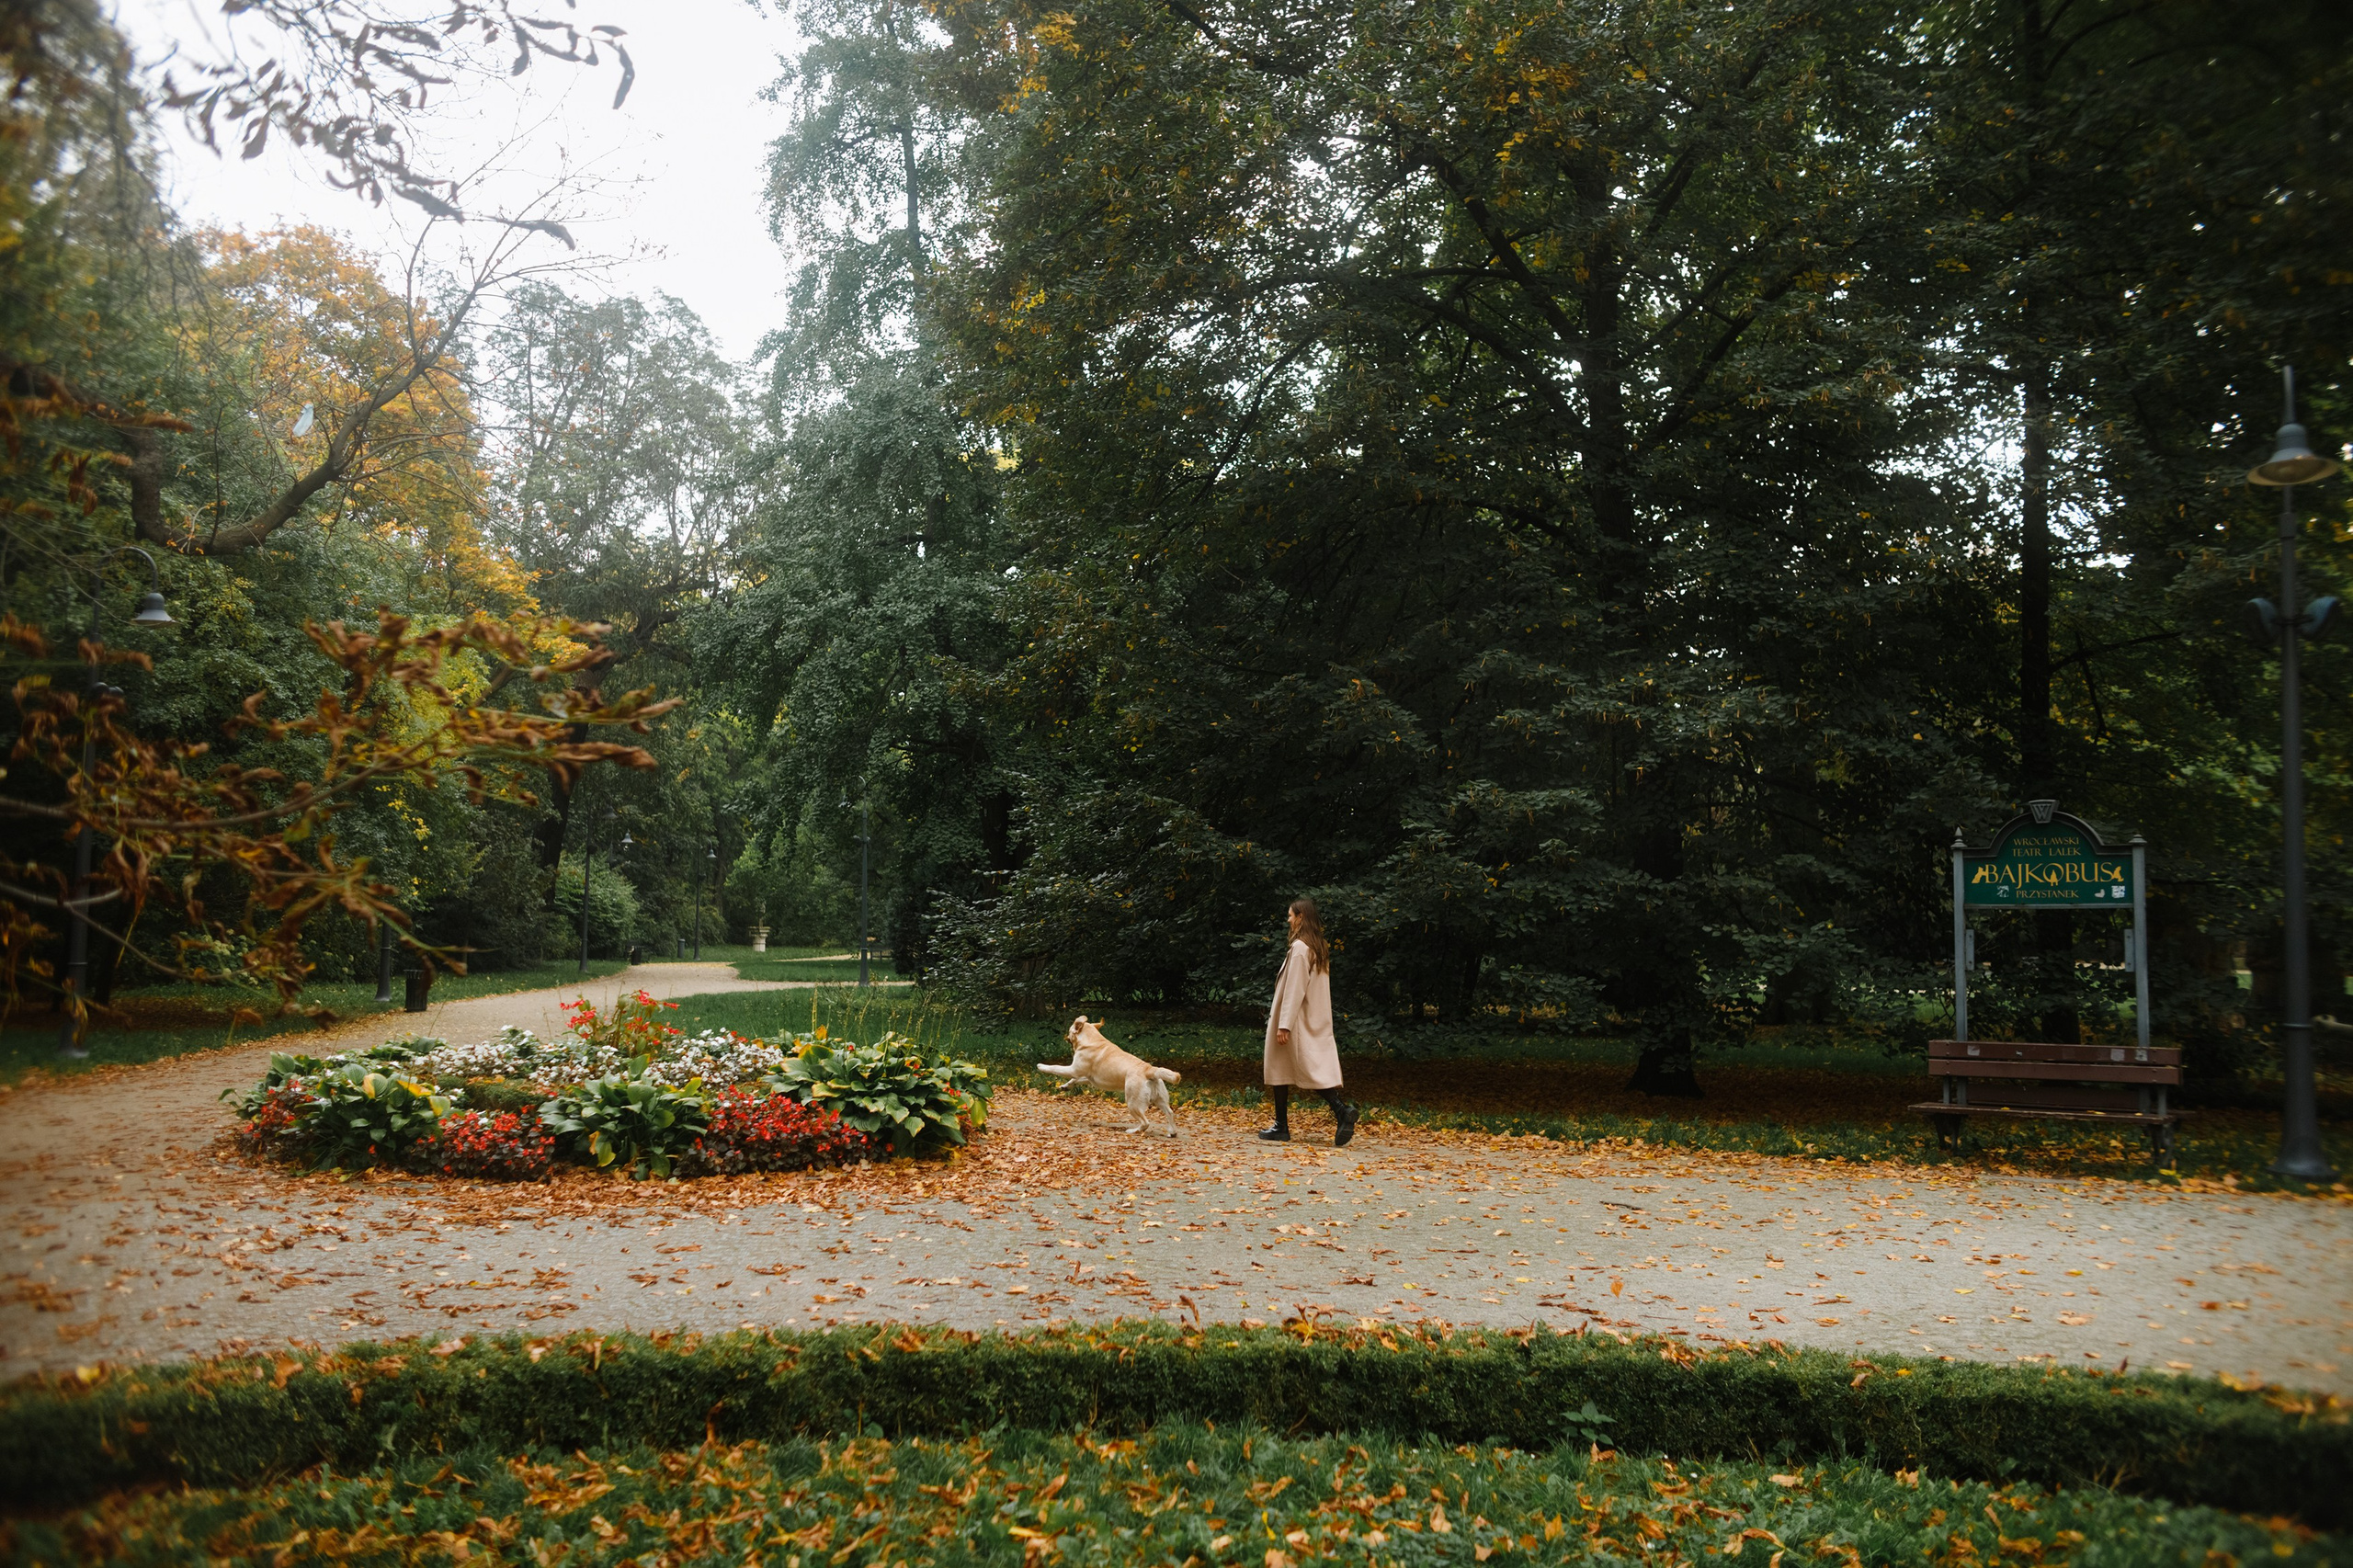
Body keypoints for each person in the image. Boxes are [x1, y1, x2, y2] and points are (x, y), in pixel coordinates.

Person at [1261, 897, 1355, 1145]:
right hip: (1311, 1018)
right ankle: (1283, 1125)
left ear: (1301, 917)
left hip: (1296, 1020)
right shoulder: (1318, 947)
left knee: (1293, 1068)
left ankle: (1340, 1110)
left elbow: (1295, 988)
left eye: (1291, 916)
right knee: (1290, 1068)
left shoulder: (1301, 949)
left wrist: (1284, 1024)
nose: (1288, 920)